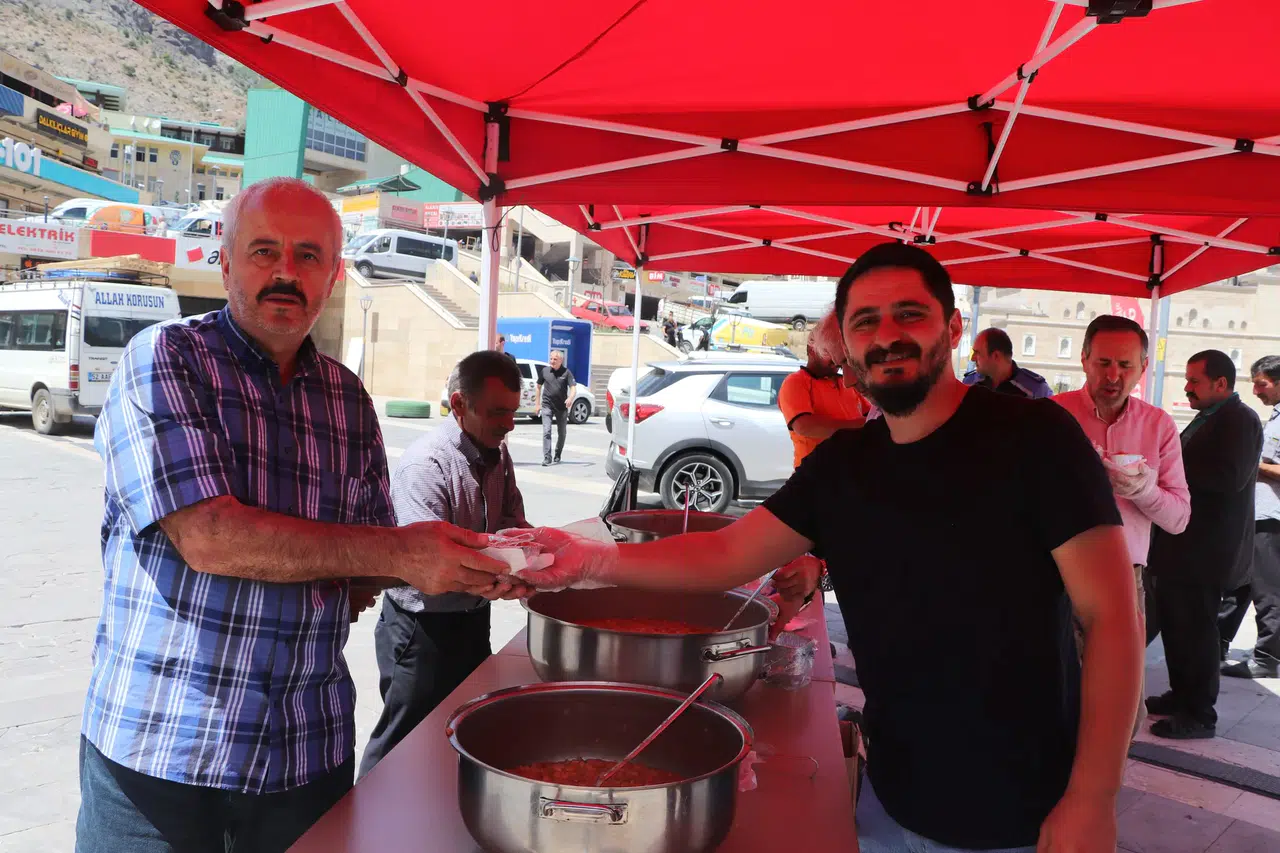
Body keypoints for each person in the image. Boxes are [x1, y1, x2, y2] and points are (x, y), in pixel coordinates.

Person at [516, 242, 1142, 853]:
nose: (886, 335)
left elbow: (1112, 618)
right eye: (865, 322)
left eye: (909, 314)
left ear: (952, 328)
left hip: (1024, 817)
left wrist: (1092, 799)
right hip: (890, 800)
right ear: (847, 346)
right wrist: (587, 560)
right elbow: (726, 554)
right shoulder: (845, 466)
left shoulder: (1035, 440)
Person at [76, 178, 520, 853]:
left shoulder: (347, 399)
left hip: (303, 756)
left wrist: (462, 567)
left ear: (335, 274)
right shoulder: (166, 360)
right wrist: (396, 555)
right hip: (162, 755)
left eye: (310, 256)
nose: (287, 272)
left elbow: (367, 570)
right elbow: (210, 537)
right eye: (264, 251)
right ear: (223, 261)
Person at [359, 351, 530, 778]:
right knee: (402, 743)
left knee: (463, 730)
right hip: (420, 629)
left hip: (473, 618)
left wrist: (544, 553)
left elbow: (512, 523)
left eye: (513, 412)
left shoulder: (497, 452)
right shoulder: (426, 465)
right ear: (458, 404)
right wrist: (499, 574)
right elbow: (428, 567)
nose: (508, 424)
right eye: (497, 413)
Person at [1054, 315, 1190, 734]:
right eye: (1104, 362)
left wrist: (1141, 490)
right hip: (1052, 571)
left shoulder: (1158, 425)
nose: (1113, 376)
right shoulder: (1052, 417)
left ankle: (1099, 790)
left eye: (1125, 366)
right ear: (1084, 360)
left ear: (1143, 368)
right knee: (1050, 692)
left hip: (1121, 575)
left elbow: (1179, 518)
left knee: (1118, 704)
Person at [1146, 351, 1262, 739]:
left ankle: (1199, 713)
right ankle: (1181, 695)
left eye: (1194, 381)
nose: (1187, 387)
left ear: (1221, 384)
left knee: (1196, 631)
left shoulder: (1239, 420)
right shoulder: (1210, 417)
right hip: (1183, 546)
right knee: (1177, 627)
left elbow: (1229, 477)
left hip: (1207, 550)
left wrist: (1169, 471)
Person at [1219, 355, 1280, 678]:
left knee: (1267, 590)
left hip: (1273, 519)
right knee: (1240, 582)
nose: (1256, 390)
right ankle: (1217, 641)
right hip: (1257, 514)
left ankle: (1268, 657)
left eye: (1262, 384)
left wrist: (1253, 466)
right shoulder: (1274, 418)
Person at [777, 311, 868, 469]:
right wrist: (862, 426)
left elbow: (873, 414)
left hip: (851, 472)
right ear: (813, 350)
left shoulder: (846, 380)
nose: (835, 359)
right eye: (829, 352)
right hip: (816, 473)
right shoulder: (796, 381)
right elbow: (805, 426)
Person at [963, 328, 1053, 398]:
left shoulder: (1036, 389)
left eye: (977, 353)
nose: (972, 358)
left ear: (996, 356)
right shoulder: (970, 383)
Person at [535, 349, 575, 466]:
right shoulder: (545, 371)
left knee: (562, 433)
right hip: (547, 405)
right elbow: (538, 387)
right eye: (551, 359)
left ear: (561, 360)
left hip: (561, 408)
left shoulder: (566, 372)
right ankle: (547, 457)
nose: (552, 361)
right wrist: (537, 404)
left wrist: (570, 398)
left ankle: (558, 453)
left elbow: (573, 387)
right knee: (546, 431)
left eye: (555, 359)